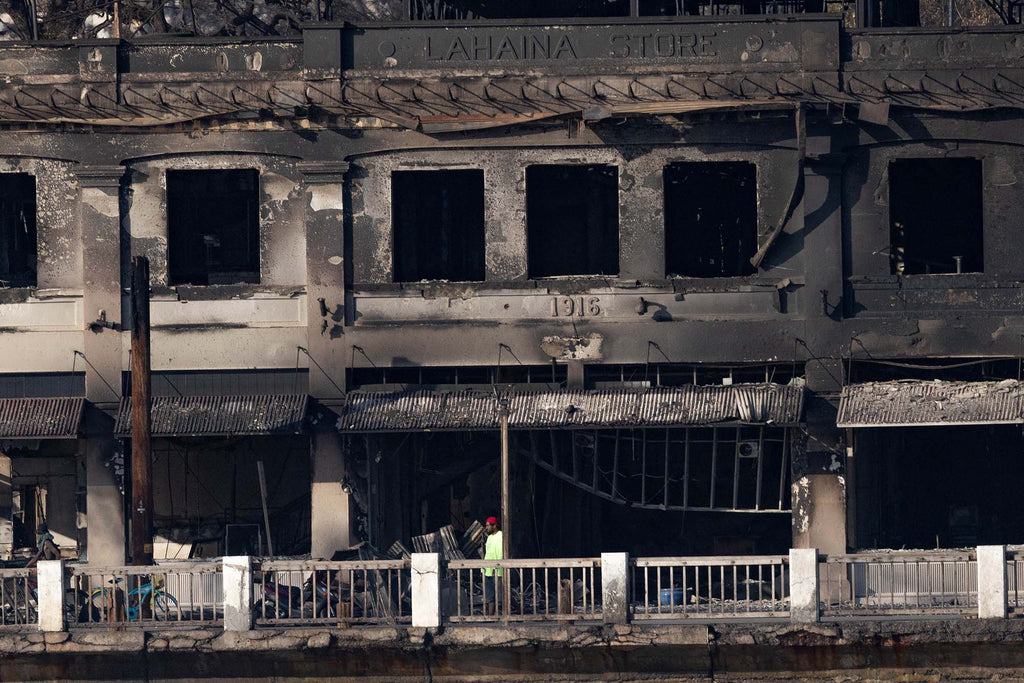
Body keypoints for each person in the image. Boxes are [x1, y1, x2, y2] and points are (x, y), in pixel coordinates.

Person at [483, 516, 503, 616]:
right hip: (488, 570)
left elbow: (500, 553)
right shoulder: (489, 537)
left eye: (488, 526)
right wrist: (483, 567)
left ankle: (501, 615)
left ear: (494, 526)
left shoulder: (501, 535)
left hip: (498, 570)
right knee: (490, 595)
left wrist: (498, 566)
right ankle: (490, 616)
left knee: (501, 594)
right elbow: (488, 553)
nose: (486, 528)